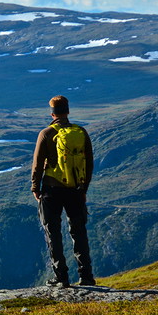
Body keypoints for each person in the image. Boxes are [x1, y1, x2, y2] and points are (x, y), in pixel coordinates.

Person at [31, 95, 96, 288]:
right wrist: (83, 188)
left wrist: (35, 187)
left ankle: (61, 277)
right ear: (67, 111)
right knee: (79, 232)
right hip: (75, 189)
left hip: (51, 189)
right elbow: (89, 163)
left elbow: (37, 165)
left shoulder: (46, 133)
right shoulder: (81, 132)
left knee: (53, 233)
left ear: (52, 113)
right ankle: (86, 276)